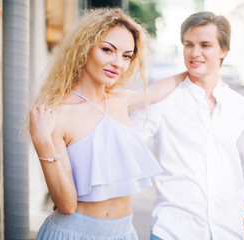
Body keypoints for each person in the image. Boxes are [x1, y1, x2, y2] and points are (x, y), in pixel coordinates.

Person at [28, 8, 186, 240]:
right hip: (74, 233)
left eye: (126, 56)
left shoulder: (119, 100)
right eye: (107, 50)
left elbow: (157, 91)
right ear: (85, 48)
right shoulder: (58, 115)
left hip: (124, 233)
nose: (117, 63)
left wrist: (196, 70)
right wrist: (42, 143)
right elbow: (67, 205)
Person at [131, 11, 244, 239]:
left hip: (228, 231)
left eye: (205, 45)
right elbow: (124, 141)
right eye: (189, 44)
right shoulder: (163, 101)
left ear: (223, 50)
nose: (195, 53)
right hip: (172, 231)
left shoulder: (242, 108)